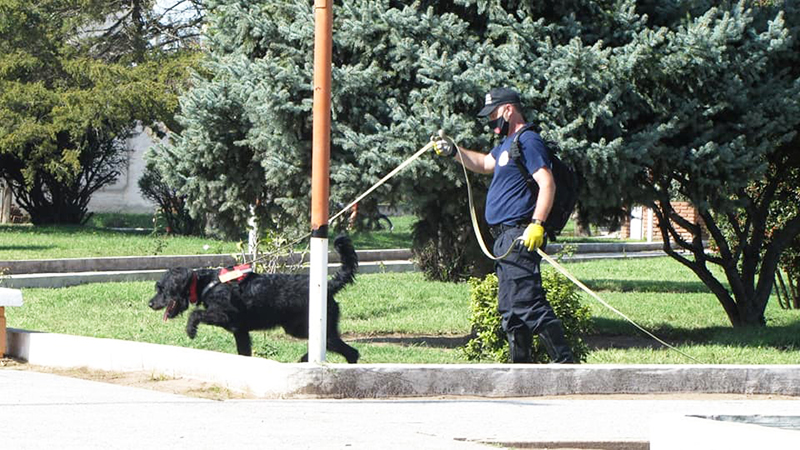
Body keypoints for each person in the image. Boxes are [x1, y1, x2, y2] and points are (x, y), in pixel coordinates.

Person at [432, 87, 576, 363]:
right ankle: (520, 370)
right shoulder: (505, 146)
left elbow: (547, 183)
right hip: (504, 237)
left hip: (520, 234)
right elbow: (484, 163)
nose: (490, 120)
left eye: (494, 113)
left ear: (508, 110)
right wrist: (454, 151)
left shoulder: (529, 140)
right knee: (510, 309)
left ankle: (566, 365)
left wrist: (537, 224)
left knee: (528, 303)